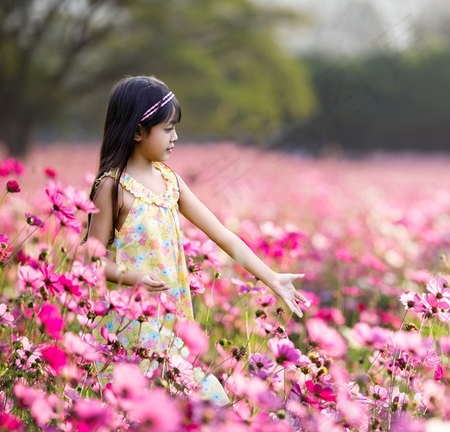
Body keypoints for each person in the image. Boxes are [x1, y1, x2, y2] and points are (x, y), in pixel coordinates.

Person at [84, 75, 306, 405]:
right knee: (181, 406)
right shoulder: (112, 186)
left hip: (172, 320)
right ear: (137, 131)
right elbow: (92, 260)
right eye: (167, 128)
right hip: (130, 324)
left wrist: (271, 278)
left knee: (182, 412)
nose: (175, 137)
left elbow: (224, 237)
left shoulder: (169, 181)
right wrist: (134, 278)